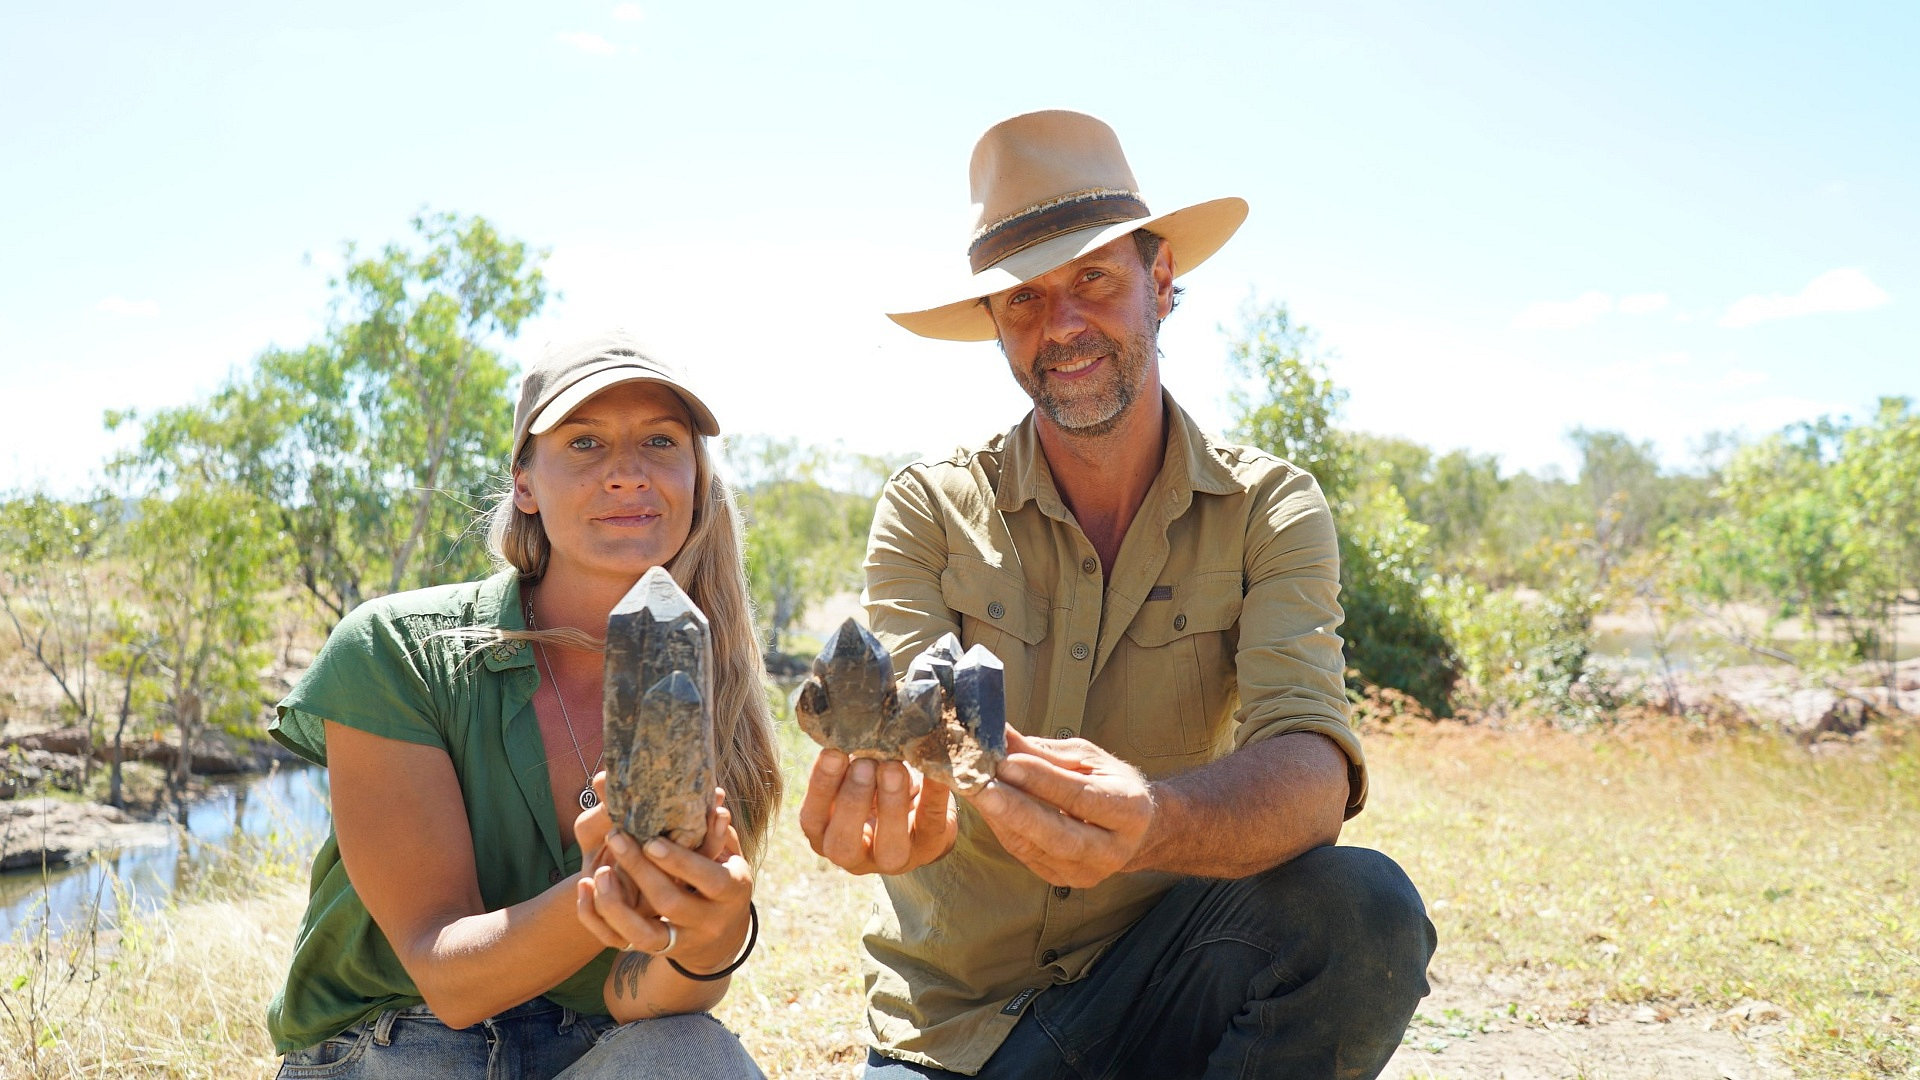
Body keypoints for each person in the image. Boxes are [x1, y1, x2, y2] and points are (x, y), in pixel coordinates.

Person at [799, 110, 1437, 1078]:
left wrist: (1154, 823)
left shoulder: (1270, 505)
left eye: (1093, 278)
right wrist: (880, 805)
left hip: (1175, 978)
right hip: (956, 1025)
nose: (1060, 326)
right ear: (993, 324)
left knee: (1361, 908)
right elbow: (901, 724)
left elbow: (1311, 763)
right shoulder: (928, 506)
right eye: (1021, 300)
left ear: (1163, 281)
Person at [266, 330, 779, 1078]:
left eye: (661, 442)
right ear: (524, 484)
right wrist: (606, 892)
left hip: (594, 1048)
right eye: (584, 444)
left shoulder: (708, 676)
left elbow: (637, 995)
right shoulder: (398, 648)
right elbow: (446, 976)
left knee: (694, 1053)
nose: (628, 474)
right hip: (394, 1045)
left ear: (695, 476)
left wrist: (709, 937)